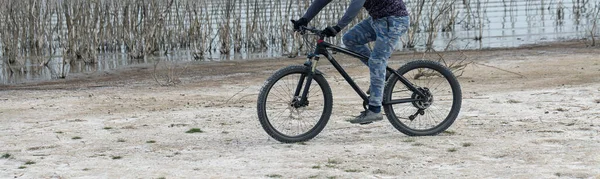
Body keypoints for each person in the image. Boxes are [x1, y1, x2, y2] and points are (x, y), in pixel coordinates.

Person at [292, 0, 410, 124]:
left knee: (377, 61)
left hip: (395, 21)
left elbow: (356, 5)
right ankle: (383, 74)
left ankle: (375, 110)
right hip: (377, 20)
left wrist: (338, 27)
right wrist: (305, 18)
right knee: (350, 39)